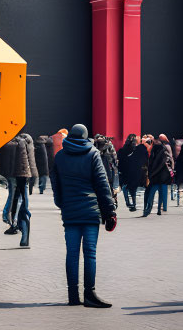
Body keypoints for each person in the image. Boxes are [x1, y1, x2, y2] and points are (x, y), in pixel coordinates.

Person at [50, 123, 116, 308]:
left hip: (70, 212)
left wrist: (61, 202)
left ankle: (72, 295)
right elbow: (102, 185)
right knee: (90, 254)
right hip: (90, 211)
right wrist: (109, 211)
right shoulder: (92, 154)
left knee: (71, 254)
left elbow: (55, 182)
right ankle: (90, 294)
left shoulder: (61, 156)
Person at [142, 133, 173, 216]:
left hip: (156, 176)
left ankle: (147, 210)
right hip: (163, 176)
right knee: (161, 194)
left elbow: (154, 164)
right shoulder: (164, 150)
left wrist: (151, 174)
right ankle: (159, 209)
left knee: (151, 194)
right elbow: (169, 160)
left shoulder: (156, 151)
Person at [117, 134, 147, 212]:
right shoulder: (139, 149)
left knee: (125, 186)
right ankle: (133, 203)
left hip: (126, 171)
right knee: (133, 188)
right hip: (135, 171)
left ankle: (128, 202)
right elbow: (143, 159)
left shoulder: (122, 150)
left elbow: (119, 160)